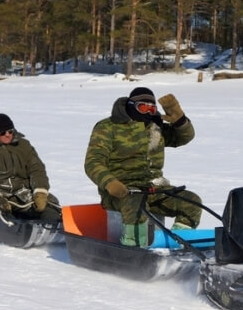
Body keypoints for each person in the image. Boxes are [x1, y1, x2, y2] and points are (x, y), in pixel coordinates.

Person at [84, 87, 202, 247]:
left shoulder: (155, 126)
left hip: (153, 188)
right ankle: (133, 249)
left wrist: (179, 120)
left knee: (192, 202)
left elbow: (183, 137)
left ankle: (175, 245)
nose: (148, 112)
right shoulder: (108, 127)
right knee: (136, 205)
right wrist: (110, 183)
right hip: (121, 191)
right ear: (131, 106)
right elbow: (93, 162)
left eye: (152, 108)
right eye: (143, 107)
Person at [0, 113, 60, 220]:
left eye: (10, 131)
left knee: (49, 208)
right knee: (3, 213)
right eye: (2, 132)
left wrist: (40, 191)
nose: (7, 135)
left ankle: (54, 228)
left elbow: (37, 169)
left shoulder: (24, 146)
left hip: (22, 193)